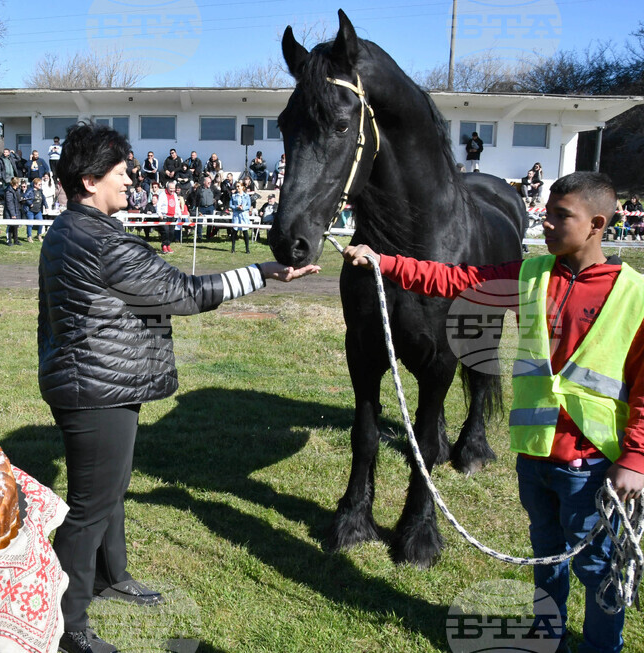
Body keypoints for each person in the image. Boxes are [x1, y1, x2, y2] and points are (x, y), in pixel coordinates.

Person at [39, 122, 319, 653]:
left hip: (92, 382)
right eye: (120, 174)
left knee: (109, 493)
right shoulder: (98, 240)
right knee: (90, 506)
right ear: (90, 179)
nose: (131, 182)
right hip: (96, 389)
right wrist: (262, 272)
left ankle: (110, 577)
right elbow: (183, 293)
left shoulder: (69, 229)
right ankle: (67, 622)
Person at [343, 172, 644, 653]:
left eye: (560, 217)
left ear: (597, 224)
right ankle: (548, 636)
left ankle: (601, 647)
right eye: (545, 214)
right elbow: (454, 278)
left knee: (598, 568)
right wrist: (384, 261)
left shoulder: (635, 296)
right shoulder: (530, 274)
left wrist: (635, 458)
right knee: (547, 557)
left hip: (592, 465)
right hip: (536, 455)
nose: (545, 225)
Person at [155, 180, 185, 254]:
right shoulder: (162, 194)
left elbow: (177, 206)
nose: (172, 190)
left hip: (173, 216)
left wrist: (180, 214)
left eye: (173, 188)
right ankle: (164, 246)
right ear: (167, 188)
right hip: (164, 216)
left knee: (171, 232)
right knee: (165, 232)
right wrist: (159, 214)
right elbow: (158, 205)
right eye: (171, 189)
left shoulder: (174, 195)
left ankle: (168, 245)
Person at [230, 180, 253, 253]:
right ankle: (233, 248)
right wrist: (237, 207)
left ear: (242, 187)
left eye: (238, 186)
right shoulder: (234, 196)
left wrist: (243, 208)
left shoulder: (246, 196)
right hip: (236, 215)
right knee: (234, 231)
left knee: (245, 231)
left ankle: (247, 249)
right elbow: (230, 205)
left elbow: (248, 205)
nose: (237, 188)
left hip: (244, 215)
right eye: (236, 186)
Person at [22, 176, 46, 242]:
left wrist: (46, 206)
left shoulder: (40, 191)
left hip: (38, 210)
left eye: (41, 184)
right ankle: (29, 236)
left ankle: (39, 235)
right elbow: (25, 197)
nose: (40, 185)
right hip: (31, 210)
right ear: (35, 185)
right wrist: (30, 203)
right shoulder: (30, 190)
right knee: (30, 224)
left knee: (41, 223)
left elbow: (43, 199)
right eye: (39, 184)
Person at [3, 176, 23, 246]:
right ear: (16, 183)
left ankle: (16, 240)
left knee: (15, 226)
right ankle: (9, 241)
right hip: (10, 212)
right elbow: (9, 204)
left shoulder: (17, 190)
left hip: (16, 210)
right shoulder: (9, 191)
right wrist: (12, 214)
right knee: (10, 226)